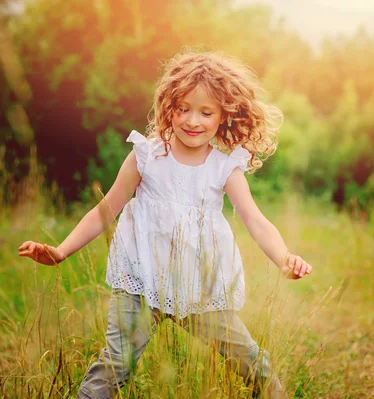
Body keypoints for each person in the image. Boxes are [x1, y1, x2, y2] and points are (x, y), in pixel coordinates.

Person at [18, 50, 313, 399]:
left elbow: (256, 220)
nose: (192, 120)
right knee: (116, 364)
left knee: (250, 362)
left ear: (223, 117)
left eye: (206, 112)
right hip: (141, 280)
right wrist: (61, 250)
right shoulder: (147, 155)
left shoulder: (224, 167)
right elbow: (105, 209)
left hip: (199, 287)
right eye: (183, 108)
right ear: (168, 107)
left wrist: (284, 258)